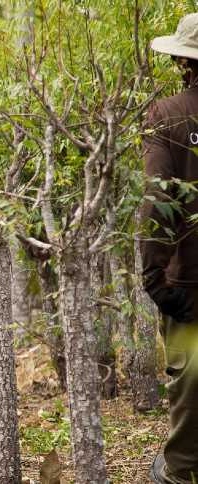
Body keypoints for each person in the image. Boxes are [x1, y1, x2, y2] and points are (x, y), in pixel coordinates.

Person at [143, 13, 198, 484]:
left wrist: (153, 277)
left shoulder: (168, 115)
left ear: (184, 60)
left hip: (188, 286)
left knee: (191, 393)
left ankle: (177, 475)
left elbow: (158, 199)